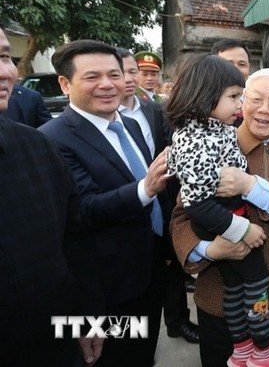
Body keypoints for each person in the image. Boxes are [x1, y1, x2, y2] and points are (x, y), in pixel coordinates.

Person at [170, 68, 269, 365]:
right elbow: (181, 217)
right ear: (241, 101)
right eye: (256, 99)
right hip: (220, 302)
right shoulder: (211, 141)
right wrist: (209, 250)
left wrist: (250, 186)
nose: (265, 109)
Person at [40, 40, 169, 366]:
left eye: (114, 74)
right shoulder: (50, 139)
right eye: (92, 77)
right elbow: (80, 211)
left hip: (149, 270)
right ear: (65, 84)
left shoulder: (130, 125)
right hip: (102, 288)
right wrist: (144, 189)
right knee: (111, 358)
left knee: (143, 353)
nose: (108, 84)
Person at [1, 29, 103, 367]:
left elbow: (75, 239)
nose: (5, 72)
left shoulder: (37, 148)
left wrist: (87, 318)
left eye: (5, 57)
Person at [117, 48, 199, 344]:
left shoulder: (154, 110)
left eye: (133, 72)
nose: (129, 79)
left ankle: (177, 321)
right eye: (123, 72)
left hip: (162, 203)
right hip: (124, 210)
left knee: (171, 266)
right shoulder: (105, 118)